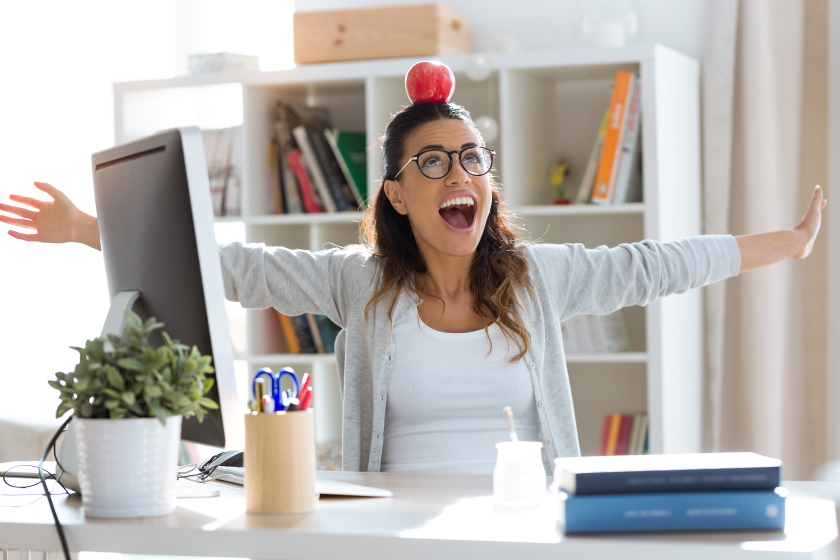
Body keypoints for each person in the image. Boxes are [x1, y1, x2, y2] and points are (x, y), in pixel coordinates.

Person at [0, 101, 826, 476]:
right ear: (395, 192)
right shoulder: (357, 284)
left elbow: (657, 263)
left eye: (473, 159)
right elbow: (235, 266)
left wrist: (785, 245)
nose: (458, 173)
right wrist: (84, 228)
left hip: (526, 524)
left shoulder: (540, 279)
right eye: (432, 161)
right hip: (391, 523)